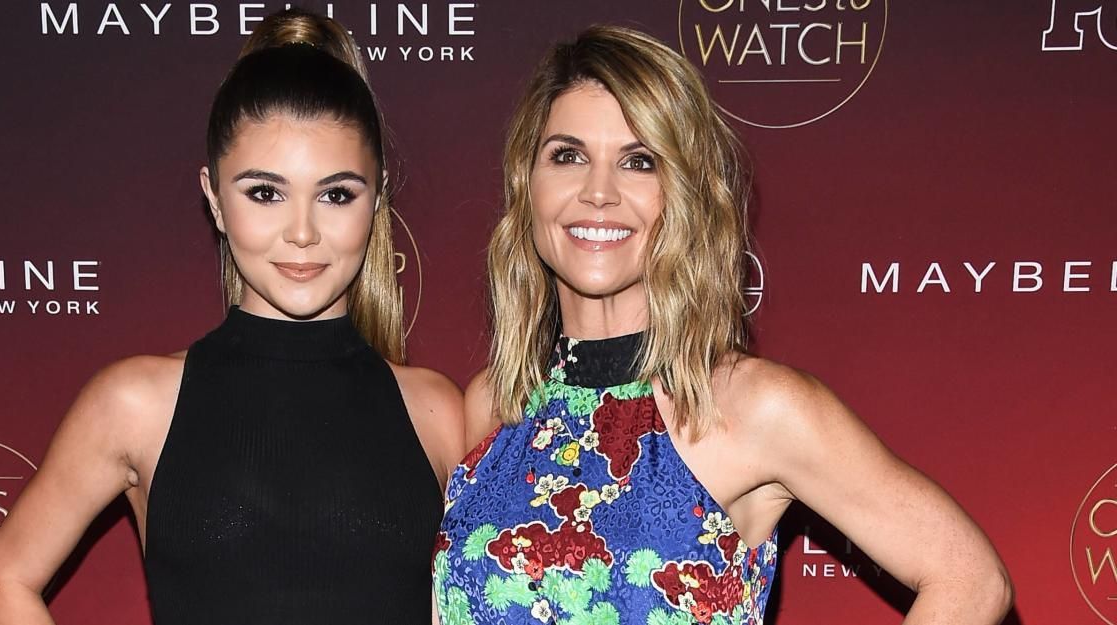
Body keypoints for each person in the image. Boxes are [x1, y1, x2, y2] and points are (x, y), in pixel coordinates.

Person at [433, 26, 1013, 625]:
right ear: (527, 185)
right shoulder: (494, 407)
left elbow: (971, 580)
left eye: (638, 162)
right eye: (568, 156)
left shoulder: (755, 407)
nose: (598, 191)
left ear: (683, 197)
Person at [0, 9, 464, 624]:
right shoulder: (136, 402)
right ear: (214, 197)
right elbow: (5, 579)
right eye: (265, 193)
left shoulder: (438, 413)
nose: (303, 232)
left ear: (377, 197)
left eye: (336, 194)